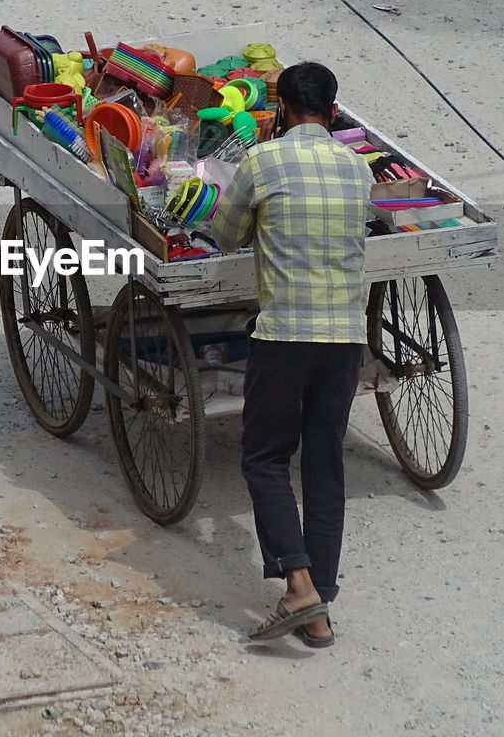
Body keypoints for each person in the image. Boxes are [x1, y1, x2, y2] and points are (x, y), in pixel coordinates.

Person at [208, 61, 372, 648]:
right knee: (324, 464)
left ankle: (299, 586)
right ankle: (319, 612)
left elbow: (224, 236)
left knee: (265, 458)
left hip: (285, 335)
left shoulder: (262, 161)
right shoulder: (358, 171)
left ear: (279, 112)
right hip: (345, 337)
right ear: (332, 114)